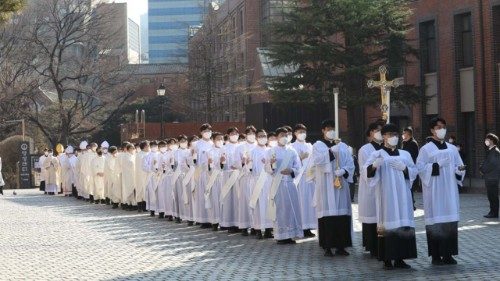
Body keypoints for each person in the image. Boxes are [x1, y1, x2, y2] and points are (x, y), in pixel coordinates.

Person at [365, 123, 418, 270]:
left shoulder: (405, 154)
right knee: (388, 224)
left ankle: (401, 258)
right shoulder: (377, 154)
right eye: (390, 135)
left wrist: (405, 168)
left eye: (396, 134)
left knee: (402, 223)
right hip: (386, 196)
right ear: (384, 137)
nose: (393, 137)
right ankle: (387, 259)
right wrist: (374, 166)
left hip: (402, 196)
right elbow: (366, 174)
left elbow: (414, 172)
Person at [417, 117, 465, 265]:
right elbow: (420, 168)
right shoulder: (426, 149)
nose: (442, 129)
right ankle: (436, 255)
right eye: (438, 127)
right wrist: (436, 166)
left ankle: (448, 254)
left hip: (450, 190)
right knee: (436, 222)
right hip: (434, 191)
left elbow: (459, 166)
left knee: (449, 221)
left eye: (443, 126)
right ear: (432, 130)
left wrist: (459, 170)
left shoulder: (452, 149)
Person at [311, 119, 355, 256]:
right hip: (326, 184)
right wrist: (330, 152)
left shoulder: (342, 146)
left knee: (341, 214)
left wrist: (344, 171)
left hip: (340, 183)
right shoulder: (318, 145)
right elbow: (317, 161)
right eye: (328, 128)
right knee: (328, 214)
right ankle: (328, 246)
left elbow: (350, 163)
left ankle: (341, 246)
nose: (331, 131)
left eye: (333, 128)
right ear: (323, 130)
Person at [266, 127, 303, 244]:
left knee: (292, 208)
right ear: (276, 137)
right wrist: (271, 165)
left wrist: (291, 170)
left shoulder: (292, 151)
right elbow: (267, 168)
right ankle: (281, 236)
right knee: (280, 209)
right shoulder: (271, 151)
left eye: (286, 135)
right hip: (278, 184)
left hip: (290, 184)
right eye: (282, 135)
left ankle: (291, 234)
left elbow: (298, 167)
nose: (284, 137)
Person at [358, 121, 384, 257]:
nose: (380, 133)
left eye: (382, 130)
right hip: (370, 188)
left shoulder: (386, 147)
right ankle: (371, 245)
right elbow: (364, 170)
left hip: (384, 188)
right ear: (371, 133)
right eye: (377, 130)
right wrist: (373, 167)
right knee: (372, 217)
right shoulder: (365, 149)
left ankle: (382, 245)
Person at [291, 124, 317, 238]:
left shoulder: (310, 146)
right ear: (295, 133)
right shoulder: (292, 146)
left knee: (309, 203)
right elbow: (291, 163)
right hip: (299, 179)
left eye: (303, 131)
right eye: (299, 131)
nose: (302, 133)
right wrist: (300, 158)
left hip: (310, 177)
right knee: (301, 203)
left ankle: (308, 227)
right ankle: (301, 226)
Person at [249, 129, 273, 239]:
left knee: (269, 204)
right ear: (256, 137)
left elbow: (275, 167)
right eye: (260, 136)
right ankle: (258, 229)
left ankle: (269, 229)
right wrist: (248, 164)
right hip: (257, 180)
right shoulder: (252, 151)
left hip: (269, 180)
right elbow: (248, 169)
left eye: (264, 135)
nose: (262, 137)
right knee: (258, 205)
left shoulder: (271, 150)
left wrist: (270, 164)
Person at [235, 125, 257, 235]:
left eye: (253, 133)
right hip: (245, 177)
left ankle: (255, 226)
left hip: (257, 178)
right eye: (249, 133)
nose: (251, 135)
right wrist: (243, 162)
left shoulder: (259, 146)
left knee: (255, 201)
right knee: (244, 202)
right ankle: (244, 226)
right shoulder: (240, 147)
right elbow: (236, 163)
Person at [220, 127, 241, 233]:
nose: (234, 135)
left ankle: (240, 222)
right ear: (228, 135)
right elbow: (219, 164)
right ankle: (230, 223)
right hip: (228, 175)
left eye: (236, 133)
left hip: (240, 176)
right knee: (229, 200)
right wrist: (221, 162)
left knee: (239, 200)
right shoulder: (224, 148)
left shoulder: (242, 146)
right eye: (232, 133)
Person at [193, 124, 214, 228]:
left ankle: (213, 219)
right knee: (203, 195)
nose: (207, 132)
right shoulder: (196, 144)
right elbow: (192, 160)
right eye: (205, 131)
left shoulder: (213, 143)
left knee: (212, 195)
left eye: (209, 130)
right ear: (201, 132)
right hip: (202, 173)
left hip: (212, 173)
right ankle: (203, 220)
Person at [206, 132, 225, 230]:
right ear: (213, 140)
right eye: (218, 139)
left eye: (222, 138)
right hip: (214, 177)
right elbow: (209, 167)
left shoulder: (225, 150)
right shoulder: (210, 151)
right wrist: (210, 164)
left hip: (225, 177)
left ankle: (224, 221)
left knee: (224, 199)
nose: (220, 140)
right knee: (215, 199)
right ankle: (215, 221)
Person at [480, 133, 500, 218]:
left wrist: (482, 170)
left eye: (487, 139)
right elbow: (487, 162)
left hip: (492, 177)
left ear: (492, 141)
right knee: (491, 195)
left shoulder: (495, 151)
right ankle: (492, 212)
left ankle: (494, 213)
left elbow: (492, 164)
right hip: (490, 177)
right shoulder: (491, 150)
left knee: (493, 196)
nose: (486, 141)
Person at [402, 127, 419, 210]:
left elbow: (411, 156)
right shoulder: (405, 142)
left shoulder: (412, 143)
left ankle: (411, 203)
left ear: (408, 134)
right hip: (404, 167)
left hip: (410, 167)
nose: (403, 135)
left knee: (410, 186)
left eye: (404, 133)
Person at [121, 143, 137, 211]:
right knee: (129, 190)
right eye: (131, 148)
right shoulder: (125, 156)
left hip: (134, 175)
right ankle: (129, 204)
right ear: (127, 149)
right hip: (128, 176)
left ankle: (134, 204)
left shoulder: (133, 156)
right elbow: (129, 165)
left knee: (134, 190)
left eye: (133, 148)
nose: (132, 150)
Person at [135, 141, 150, 212]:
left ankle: (145, 206)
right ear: (144, 147)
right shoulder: (139, 155)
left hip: (148, 175)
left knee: (146, 190)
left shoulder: (149, 154)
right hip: (140, 174)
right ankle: (139, 206)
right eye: (147, 146)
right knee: (140, 190)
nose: (149, 147)